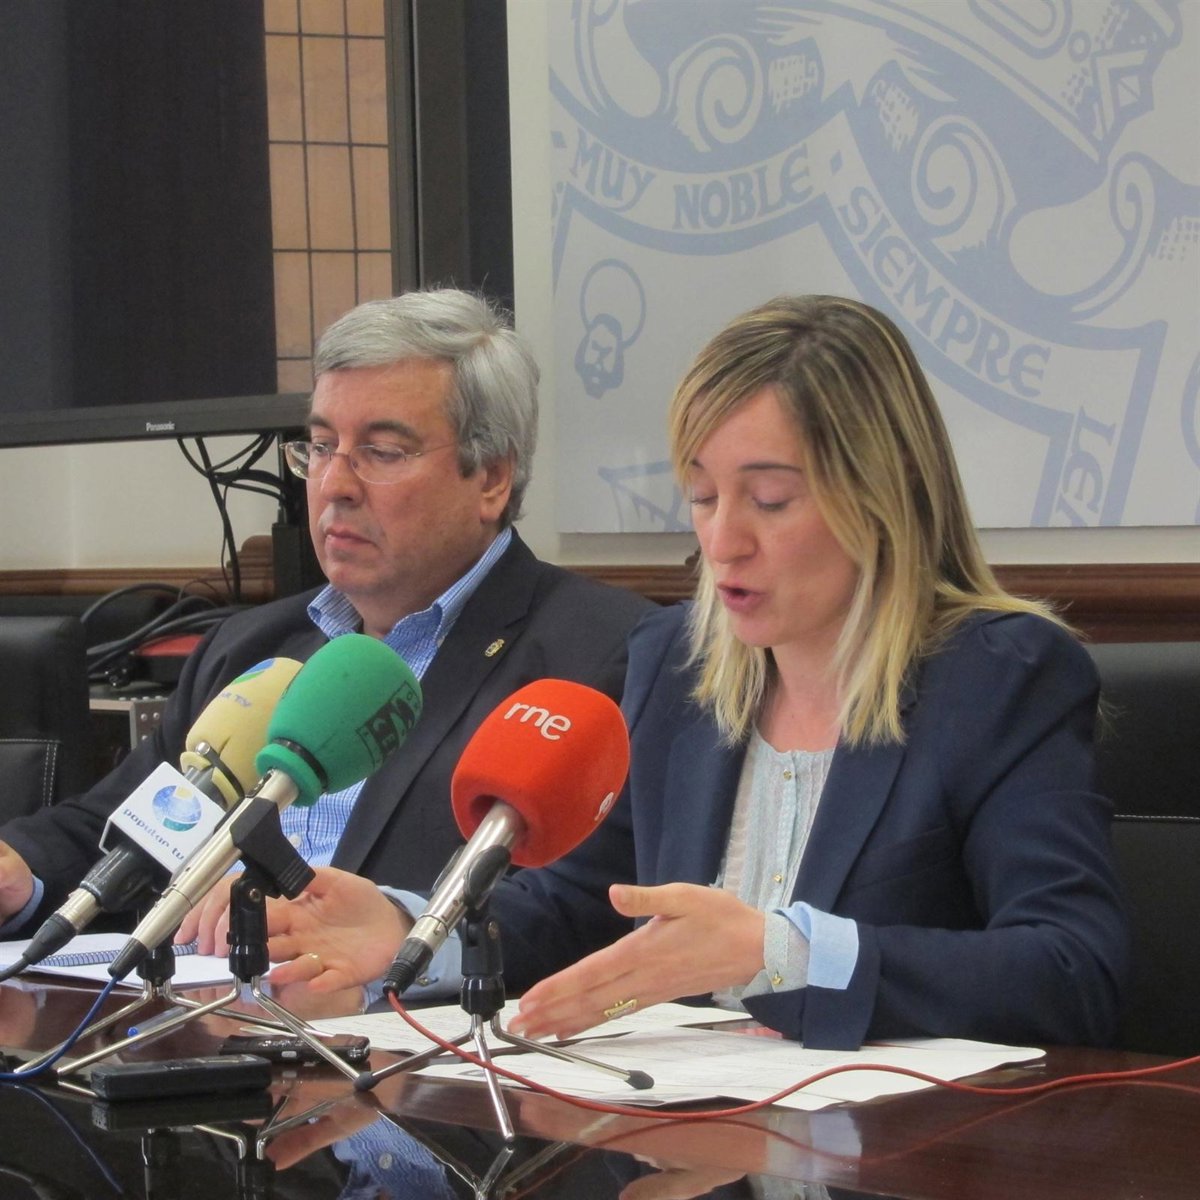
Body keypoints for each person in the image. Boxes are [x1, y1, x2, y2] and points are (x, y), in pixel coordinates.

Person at [224, 295, 1131, 1050]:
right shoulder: (675, 664)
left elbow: (1073, 970)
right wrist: (410, 929)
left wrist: (780, 952)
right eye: (702, 495)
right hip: (691, 1145)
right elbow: (581, 905)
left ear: (880, 495)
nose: (722, 539)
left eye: (769, 499)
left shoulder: (1001, 677)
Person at [0, 289, 652, 946]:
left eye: (383, 451)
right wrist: (20, 873)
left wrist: (395, 931)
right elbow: (126, 829)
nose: (334, 485)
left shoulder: (603, 657)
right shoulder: (250, 646)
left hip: (401, 1006)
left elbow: (576, 907)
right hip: (202, 1000)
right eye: (319, 446)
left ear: (490, 479)